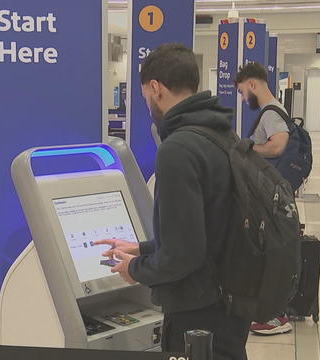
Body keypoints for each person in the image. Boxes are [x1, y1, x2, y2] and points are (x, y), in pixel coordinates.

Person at [95, 44, 250, 360]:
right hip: (231, 299)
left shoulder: (178, 149)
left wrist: (135, 269)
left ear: (155, 88)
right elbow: (211, 226)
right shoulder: (222, 133)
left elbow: (185, 254)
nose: (147, 103)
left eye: (144, 96)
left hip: (198, 311)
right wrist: (143, 248)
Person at [235, 63, 293, 336]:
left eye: (243, 92)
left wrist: (246, 150)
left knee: (269, 250)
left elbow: (278, 145)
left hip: (270, 195)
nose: (244, 98)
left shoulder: (271, 113)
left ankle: (273, 315)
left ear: (253, 84)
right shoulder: (274, 110)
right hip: (273, 193)